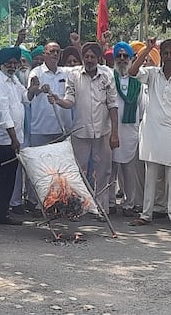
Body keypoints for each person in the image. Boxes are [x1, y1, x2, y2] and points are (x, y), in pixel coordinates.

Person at [127, 38, 171, 229]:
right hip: (152, 130)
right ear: (161, 55)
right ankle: (146, 214)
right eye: (166, 53)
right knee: (151, 176)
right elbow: (132, 72)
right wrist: (147, 49)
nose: (169, 56)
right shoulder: (152, 74)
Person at [50, 42, 119, 220]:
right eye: (86, 57)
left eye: (92, 57)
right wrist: (58, 101)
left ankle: (101, 209)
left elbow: (112, 105)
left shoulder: (107, 75)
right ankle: (77, 209)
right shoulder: (74, 75)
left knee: (103, 172)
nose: (89, 60)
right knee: (78, 172)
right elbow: (70, 101)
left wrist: (115, 133)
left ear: (98, 59)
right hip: (81, 132)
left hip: (103, 132)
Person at [0, 47, 35, 229]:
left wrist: (35, 89)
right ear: (1, 64)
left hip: (13, 139)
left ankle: (2, 213)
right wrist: (14, 139)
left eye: (15, 63)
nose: (12, 66)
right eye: (9, 63)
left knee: (9, 178)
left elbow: (25, 97)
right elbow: (3, 113)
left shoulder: (13, 80)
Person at [25, 41, 73, 214]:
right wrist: (36, 89)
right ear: (44, 53)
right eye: (51, 51)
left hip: (61, 129)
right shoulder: (36, 72)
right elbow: (29, 94)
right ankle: (34, 202)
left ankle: (55, 203)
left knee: (57, 170)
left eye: (58, 52)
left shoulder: (66, 73)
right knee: (39, 169)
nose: (55, 54)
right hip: (40, 128)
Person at [108, 42, 146, 218]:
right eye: (119, 56)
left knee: (129, 170)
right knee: (110, 169)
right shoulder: (109, 78)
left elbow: (141, 108)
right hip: (110, 129)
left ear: (131, 59)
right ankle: (109, 202)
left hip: (130, 130)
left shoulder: (138, 83)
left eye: (126, 56)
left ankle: (129, 203)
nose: (122, 59)